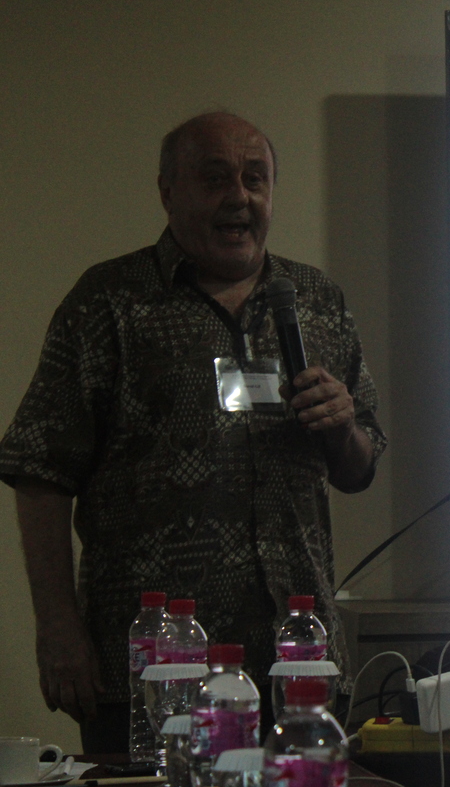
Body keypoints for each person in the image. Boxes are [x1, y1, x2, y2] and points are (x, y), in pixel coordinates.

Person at [0, 112, 386, 751]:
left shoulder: (316, 300)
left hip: (297, 663)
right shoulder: (108, 301)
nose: (239, 197)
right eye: (215, 179)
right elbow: (40, 469)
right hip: (156, 671)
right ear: (167, 192)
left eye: (255, 179)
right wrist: (58, 628)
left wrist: (343, 426)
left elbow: (359, 468)